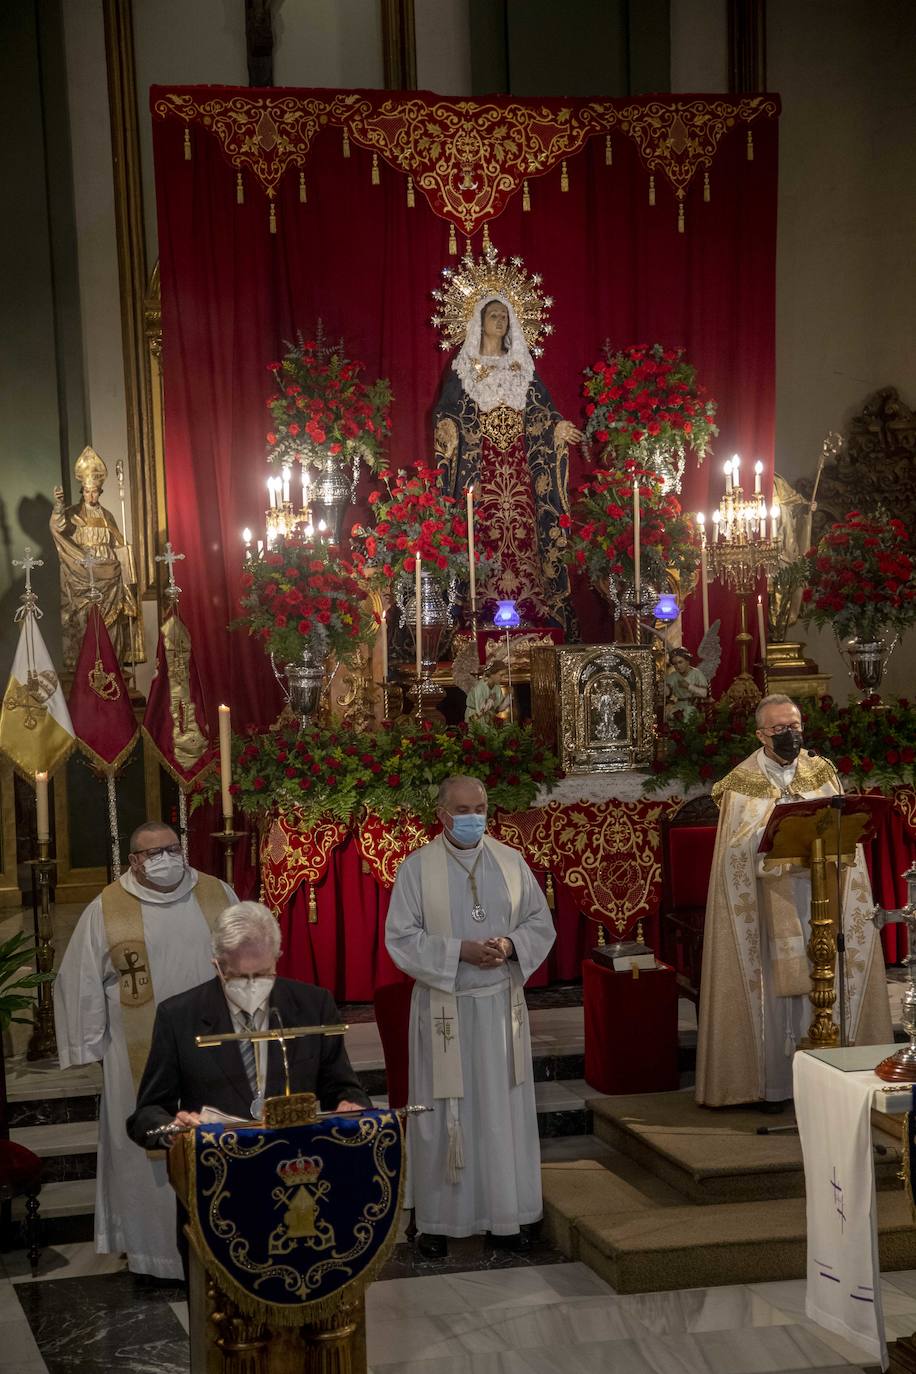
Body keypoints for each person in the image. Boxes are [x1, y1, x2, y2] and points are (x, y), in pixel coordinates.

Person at [54, 821, 236, 1279]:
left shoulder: (218, 894)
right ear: (133, 860)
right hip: (137, 1050)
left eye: (171, 848)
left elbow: (249, 952)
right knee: (145, 1150)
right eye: (151, 853)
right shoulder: (107, 908)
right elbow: (78, 980)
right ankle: (151, 1254)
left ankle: (223, 1246)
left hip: (212, 1043)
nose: (164, 858)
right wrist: (88, 1042)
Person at [385, 775, 555, 1258]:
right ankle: (439, 1222)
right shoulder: (417, 869)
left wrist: (508, 945)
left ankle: (508, 1218)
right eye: (462, 809)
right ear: (441, 815)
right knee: (445, 1115)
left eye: (479, 807)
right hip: (447, 1009)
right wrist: (459, 951)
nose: (472, 817)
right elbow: (400, 938)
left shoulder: (510, 861)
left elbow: (539, 923)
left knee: (503, 1113)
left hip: (501, 1005)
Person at [695, 694, 891, 1108]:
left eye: (795, 726)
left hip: (819, 893)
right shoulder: (741, 782)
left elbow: (842, 830)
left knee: (824, 973)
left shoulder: (821, 772)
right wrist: (768, 845)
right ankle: (774, 1083)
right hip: (771, 902)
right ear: (761, 734)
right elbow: (736, 850)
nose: (790, 734)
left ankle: (835, 1068)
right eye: (780, 729)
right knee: (776, 983)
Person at [126, 901, 369, 1144]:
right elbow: (147, 1114)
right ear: (218, 966)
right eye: (241, 976)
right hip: (218, 1163)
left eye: (263, 974)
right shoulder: (179, 1016)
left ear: (277, 957)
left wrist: (350, 1106)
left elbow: (342, 1088)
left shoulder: (314, 1006)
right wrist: (172, 1129)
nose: (253, 985)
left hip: (299, 1158)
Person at [433, 247, 581, 629]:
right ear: (479, 323)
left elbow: (541, 412)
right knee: (481, 537)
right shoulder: (462, 371)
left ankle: (532, 616)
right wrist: (447, 430)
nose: (500, 320)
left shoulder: (523, 370)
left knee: (526, 536)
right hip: (478, 472)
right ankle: (477, 619)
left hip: (520, 473)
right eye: (493, 314)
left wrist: (557, 428)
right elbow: (446, 414)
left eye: (504, 315)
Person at [50, 445, 145, 676]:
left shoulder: (108, 515)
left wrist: (127, 568)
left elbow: (118, 545)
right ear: (82, 491)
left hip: (110, 579)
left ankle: (111, 665)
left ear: (99, 492)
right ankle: (85, 669)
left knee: (110, 623)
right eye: (86, 491)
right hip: (82, 574)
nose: (91, 495)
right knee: (84, 621)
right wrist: (59, 506)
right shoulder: (72, 513)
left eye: (95, 491)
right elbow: (58, 527)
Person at [665, 647, 709, 720]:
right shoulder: (673, 676)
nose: (678, 666)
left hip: (694, 706)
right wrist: (664, 690)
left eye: (680, 662)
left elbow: (704, 693)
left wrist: (689, 686)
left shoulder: (697, 674)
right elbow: (667, 691)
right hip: (678, 706)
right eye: (675, 664)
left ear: (687, 661)